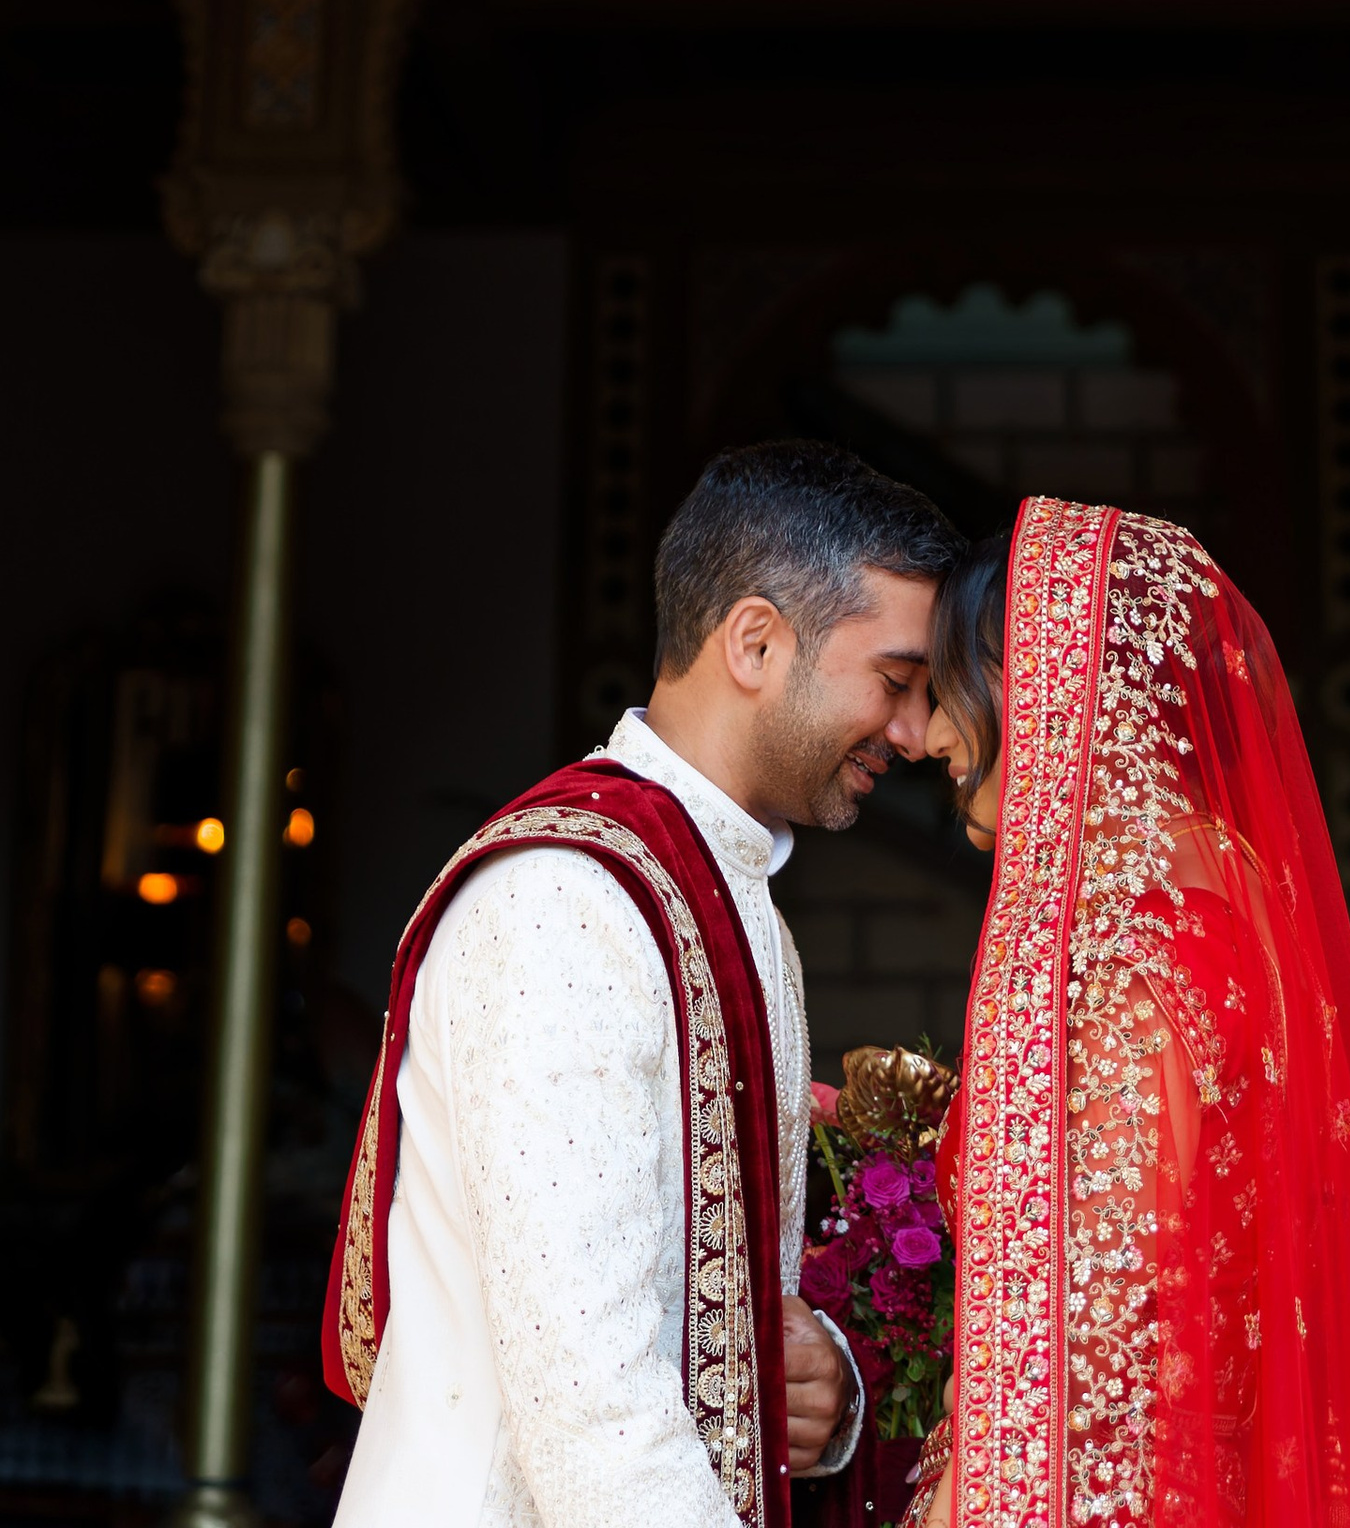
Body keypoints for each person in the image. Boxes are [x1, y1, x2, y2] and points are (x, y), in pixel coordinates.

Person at [325, 440, 963, 1528]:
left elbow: (717, 1320)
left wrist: (826, 1389)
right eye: (895, 682)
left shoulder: (729, 894)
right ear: (755, 642)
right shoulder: (564, 898)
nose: (912, 732)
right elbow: (595, 1408)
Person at [912, 498, 1350, 1528]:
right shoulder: (1222, 895)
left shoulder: (1140, 955)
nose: (927, 736)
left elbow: (1088, 1335)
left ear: (1049, 683)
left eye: (949, 691)